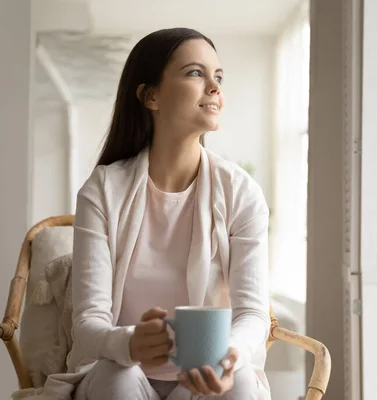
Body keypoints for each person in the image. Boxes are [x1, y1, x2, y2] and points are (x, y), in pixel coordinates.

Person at [69, 27, 271, 400]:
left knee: (241, 383)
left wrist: (228, 358)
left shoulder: (241, 192)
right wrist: (128, 344)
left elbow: (254, 314)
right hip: (122, 373)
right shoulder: (102, 190)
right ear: (151, 96)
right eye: (196, 73)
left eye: (219, 77)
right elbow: (87, 323)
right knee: (120, 378)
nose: (215, 87)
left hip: (205, 379)